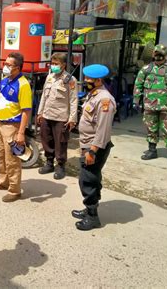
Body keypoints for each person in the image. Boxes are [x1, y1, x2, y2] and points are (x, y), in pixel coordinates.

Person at [72, 64, 116, 231]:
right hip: (88, 145)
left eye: (90, 79)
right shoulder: (94, 94)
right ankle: (89, 209)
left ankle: (93, 217)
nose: (86, 81)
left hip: (95, 147)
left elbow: (103, 131)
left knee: (88, 181)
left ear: (99, 80)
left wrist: (92, 151)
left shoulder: (105, 100)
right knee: (91, 178)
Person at [133, 44, 167, 167]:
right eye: (156, 54)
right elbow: (138, 85)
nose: (159, 57)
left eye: (161, 54)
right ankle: (152, 151)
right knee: (151, 129)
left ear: (165, 55)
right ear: (153, 55)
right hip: (149, 106)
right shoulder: (146, 69)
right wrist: (136, 100)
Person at [0, 52, 32, 202]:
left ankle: (15, 190)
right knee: (0, 155)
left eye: (9, 65)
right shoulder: (5, 81)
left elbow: (26, 110)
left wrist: (21, 132)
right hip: (0, 123)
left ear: (17, 67)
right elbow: (0, 102)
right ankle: (4, 181)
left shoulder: (23, 84)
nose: (5, 67)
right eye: (5, 64)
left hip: (12, 126)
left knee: (12, 159)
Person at [36, 53, 78, 180]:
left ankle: (60, 165)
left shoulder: (70, 80)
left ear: (63, 65)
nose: (53, 66)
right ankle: (49, 163)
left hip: (61, 117)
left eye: (56, 64)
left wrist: (72, 119)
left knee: (60, 142)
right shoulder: (49, 77)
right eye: (52, 63)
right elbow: (44, 96)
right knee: (46, 139)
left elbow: (73, 100)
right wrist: (40, 112)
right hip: (47, 115)